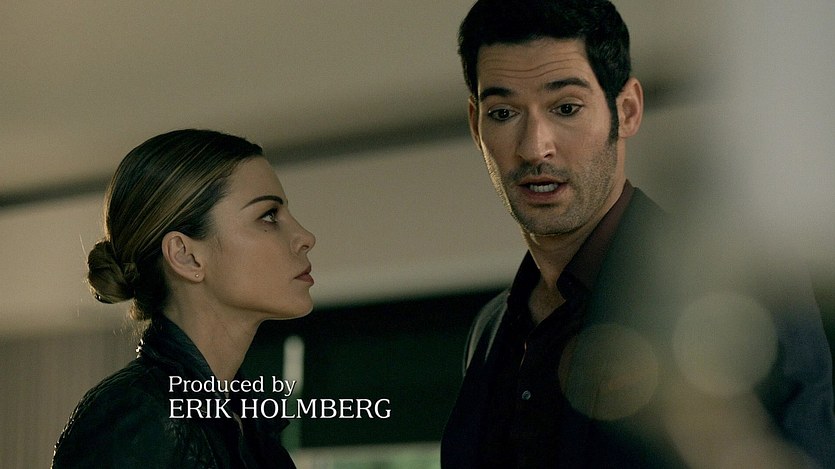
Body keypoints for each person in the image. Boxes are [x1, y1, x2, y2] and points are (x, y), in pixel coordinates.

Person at [441, 0, 835, 467]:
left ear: (626, 111)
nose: (534, 147)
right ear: (476, 125)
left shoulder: (744, 290)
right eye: (504, 113)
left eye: (566, 108)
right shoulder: (490, 331)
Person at [52, 129, 315, 468]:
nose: (305, 237)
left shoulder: (247, 423)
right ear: (186, 256)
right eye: (268, 216)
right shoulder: (135, 415)